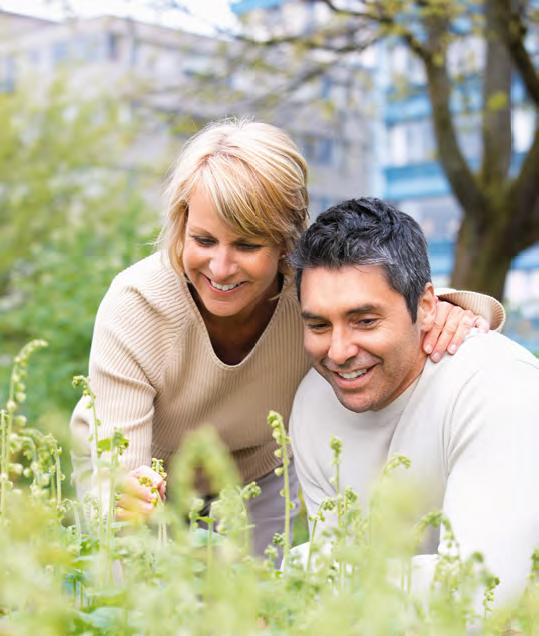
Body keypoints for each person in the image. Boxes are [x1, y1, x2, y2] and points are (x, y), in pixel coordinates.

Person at [70, 119, 502, 557]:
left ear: (285, 241)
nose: (220, 268)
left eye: (246, 246)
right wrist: (127, 500)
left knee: (252, 595)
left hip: (255, 478)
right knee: (134, 581)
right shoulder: (139, 304)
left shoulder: (309, 297)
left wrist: (453, 308)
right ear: (181, 226)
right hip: (141, 473)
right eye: (203, 240)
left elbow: (391, 302)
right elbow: (119, 473)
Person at [289, 197, 538, 603]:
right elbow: (328, 601)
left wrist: (305, 567)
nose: (338, 352)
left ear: (425, 306)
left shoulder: (496, 385)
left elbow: (481, 593)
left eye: (365, 321)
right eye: (318, 325)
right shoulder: (313, 402)